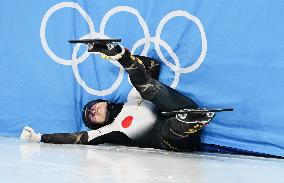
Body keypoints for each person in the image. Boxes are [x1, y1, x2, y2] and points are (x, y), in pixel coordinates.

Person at [21, 41, 215, 152]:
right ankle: (189, 123)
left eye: (92, 106)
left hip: (182, 107)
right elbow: (75, 138)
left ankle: (121, 55)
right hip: (176, 141)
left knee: (145, 87)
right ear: (97, 125)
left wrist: (124, 58)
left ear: (103, 100)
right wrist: (39, 138)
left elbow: (153, 66)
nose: (92, 111)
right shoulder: (110, 130)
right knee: (169, 128)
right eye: (90, 116)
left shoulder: (133, 98)